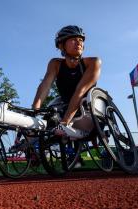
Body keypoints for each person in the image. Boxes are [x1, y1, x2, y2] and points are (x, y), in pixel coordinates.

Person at [32, 25, 101, 167]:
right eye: (74, 40)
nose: (79, 42)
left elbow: (80, 91)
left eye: (80, 40)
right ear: (62, 45)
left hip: (88, 106)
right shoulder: (55, 64)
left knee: (75, 105)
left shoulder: (93, 62)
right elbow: (45, 86)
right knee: (49, 113)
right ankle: (36, 150)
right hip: (65, 102)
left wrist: (65, 122)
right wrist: (35, 111)